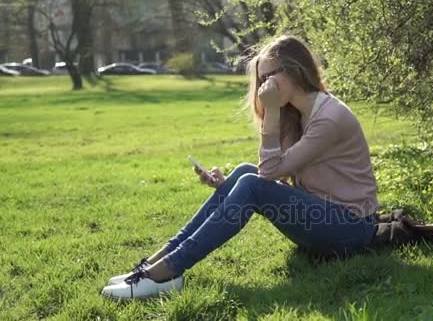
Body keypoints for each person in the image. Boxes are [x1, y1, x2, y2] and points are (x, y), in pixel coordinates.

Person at [101, 35, 381, 300]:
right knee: (245, 173)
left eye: (270, 76)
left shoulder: (328, 118)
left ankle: (167, 272)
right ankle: (153, 264)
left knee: (252, 183)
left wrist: (271, 112)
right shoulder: (299, 114)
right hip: (324, 219)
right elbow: (275, 172)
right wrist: (226, 187)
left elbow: (270, 174)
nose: (264, 87)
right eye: (261, 80)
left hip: (350, 229)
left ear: (295, 70)